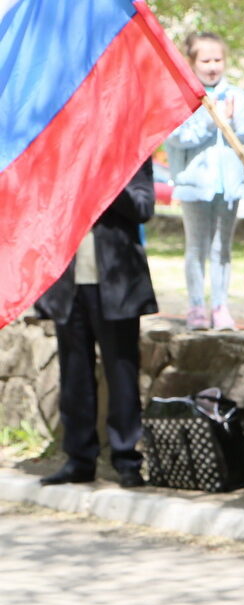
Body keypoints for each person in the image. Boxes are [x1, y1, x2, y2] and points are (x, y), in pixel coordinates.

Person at [36, 161, 156, 488]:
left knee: (122, 373)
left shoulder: (129, 152)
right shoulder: (64, 154)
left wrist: (104, 179)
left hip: (115, 285)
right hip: (69, 284)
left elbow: (144, 207)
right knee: (74, 377)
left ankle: (127, 459)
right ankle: (79, 459)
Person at [165, 32, 244, 331]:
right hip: (195, 186)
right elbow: (177, 136)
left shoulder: (235, 94)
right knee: (197, 246)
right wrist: (213, 119)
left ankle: (220, 307)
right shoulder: (183, 95)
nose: (212, 66)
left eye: (217, 59)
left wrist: (233, 120)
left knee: (222, 248)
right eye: (205, 60)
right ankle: (196, 306)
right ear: (192, 62)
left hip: (229, 186)